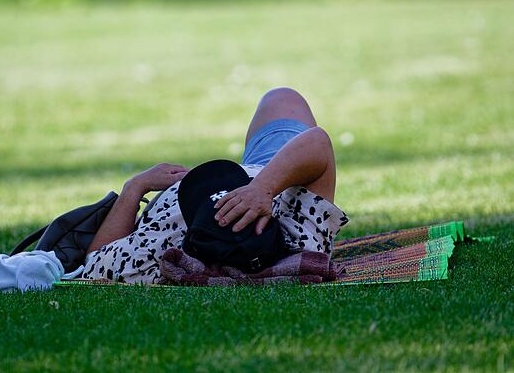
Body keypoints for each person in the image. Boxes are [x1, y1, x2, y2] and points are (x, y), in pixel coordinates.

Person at [82, 87, 348, 283]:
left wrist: (135, 187)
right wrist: (262, 188)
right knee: (283, 98)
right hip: (279, 170)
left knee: (280, 98)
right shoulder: (300, 242)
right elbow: (318, 143)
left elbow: (94, 264)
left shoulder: (160, 251)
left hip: (243, 178)